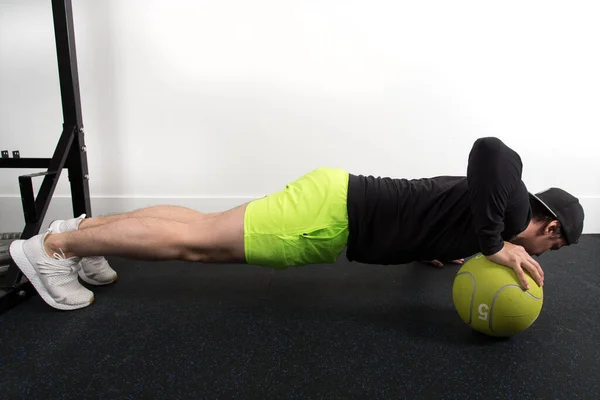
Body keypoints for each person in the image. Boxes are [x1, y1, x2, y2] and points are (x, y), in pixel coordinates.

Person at [9, 137, 585, 311]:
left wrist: (438, 247)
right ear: (550, 226)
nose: (539, 250)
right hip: (329, 220)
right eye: (549, 245)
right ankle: (55, 247)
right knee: (198, 245)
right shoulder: (509, 212)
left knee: (202, 229)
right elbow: (491, 151)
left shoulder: (493, 211)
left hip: (333, 199)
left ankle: (81, 231)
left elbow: (437, 207)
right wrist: (494, 245)